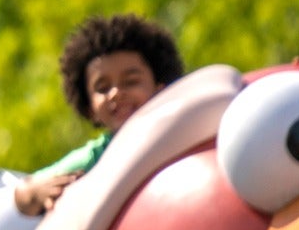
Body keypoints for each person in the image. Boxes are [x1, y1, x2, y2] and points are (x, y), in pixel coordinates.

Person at [13, 13, 184, 215]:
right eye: (102, 88)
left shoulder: (183, 128)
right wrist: (36, 192)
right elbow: (24, 190)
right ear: (90, 108)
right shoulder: (99, 156)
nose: (116, 94)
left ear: (159, 88)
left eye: (131, 82)